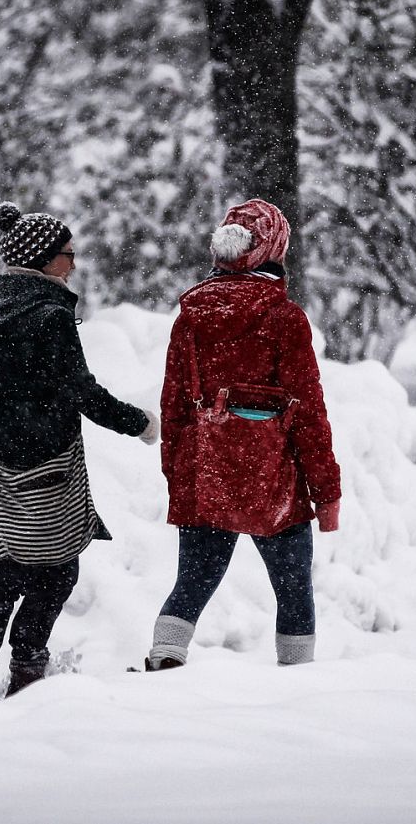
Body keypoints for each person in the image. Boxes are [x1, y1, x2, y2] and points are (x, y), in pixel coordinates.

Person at [0, 201, 156, 697]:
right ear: (44, 259)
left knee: (8, 571)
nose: (74, 263)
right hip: (52, 465)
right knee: (57, 569)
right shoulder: (50, 316)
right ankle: (24, 666)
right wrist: (141, 424)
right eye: (68, 254)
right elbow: (82, 392)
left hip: (2, 468)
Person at [144, 199, 341, 671]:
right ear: (273, 247)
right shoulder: (284, 318)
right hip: (271, 472)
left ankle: (163, 662)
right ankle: (298, 680)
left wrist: (179, 473)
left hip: (205, 465)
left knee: (193, 580)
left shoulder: (191, 316)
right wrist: (326, 490)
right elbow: (308, 412)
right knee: (293, 586)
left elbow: (173, 406)